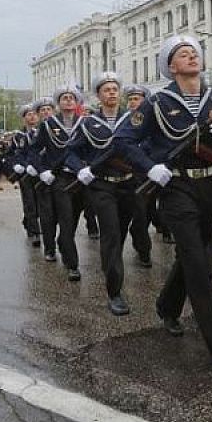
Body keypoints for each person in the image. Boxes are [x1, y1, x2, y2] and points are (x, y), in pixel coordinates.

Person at [113, 35, 212, 378]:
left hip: (209, 185)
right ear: (171, 67)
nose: (190, 57)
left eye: (194, 53)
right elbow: (124, 139)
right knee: (199, 264)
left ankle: (166, 306)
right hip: (175, 186)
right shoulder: (157, 103)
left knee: (195, 252)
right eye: (182, 55)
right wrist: (150, 166)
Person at [66, 72, 136, 316]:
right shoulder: (87, 124)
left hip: (128, 185)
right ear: (98, 95)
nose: (112, 93)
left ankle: (111, 264)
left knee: (121, 231)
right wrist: (80, 169)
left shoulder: (132, 119)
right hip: (102, 186)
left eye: (115, 88)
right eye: (107, 89)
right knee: (111, 233)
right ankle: (115, 292)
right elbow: (70, 153)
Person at [29, 90, 84, 280]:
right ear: (58, 103)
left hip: (81, 178)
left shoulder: (85, 122)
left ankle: (63, 241)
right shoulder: (48, 124)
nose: (68, 101)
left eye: (72, 98)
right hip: (60, 179)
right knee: (66, 219)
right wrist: (41, 170)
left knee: (75, 219)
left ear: (77, 102)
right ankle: (72, 264)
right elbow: (34, 150)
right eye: (64, 98)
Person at [123, 84, 155, 266]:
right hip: (132, 176)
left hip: (152, 174)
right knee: (141, 214)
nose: (132, 102)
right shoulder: (125, 121)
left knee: (152, 213)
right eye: (130, 99)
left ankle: (138, 233)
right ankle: (144, 251)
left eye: (137, 99)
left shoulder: (152, 121)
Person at [7, 104, 43, 248]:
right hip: (25, 175)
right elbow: (12, 154)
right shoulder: (18, 137)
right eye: (28, 114)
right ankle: (35, 232)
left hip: (40, 172)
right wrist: (17, 164)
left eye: (34, 114)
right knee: (29, 202)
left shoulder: (43, 132)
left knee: (41, 204)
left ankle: (28, 220)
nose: (32, 116)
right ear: (24, 119)